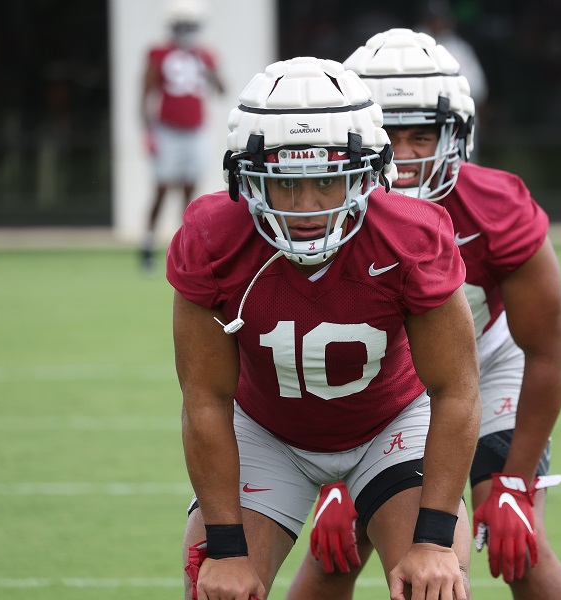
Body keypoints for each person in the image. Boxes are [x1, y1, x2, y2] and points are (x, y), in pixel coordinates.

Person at [167, 56, 481, 600]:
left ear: (367, 174)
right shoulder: (211, 238)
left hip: (389, 425)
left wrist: (433, 542)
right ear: (245, 178)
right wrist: (226, 548)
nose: (306, 207)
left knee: (437, 587)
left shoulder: (410, 236)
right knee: (214, 590)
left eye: (327, 182)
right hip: (267, 430)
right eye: (286, 184)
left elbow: (456, 389)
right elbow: (205, 400)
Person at [286, 29, 561, 600]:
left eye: (422, 134)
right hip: (375, 383)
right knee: (336, 549)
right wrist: (334, 478)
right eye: (387, 135)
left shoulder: (496, 209)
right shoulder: (313, 220)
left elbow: (546, 352)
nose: (403, 157)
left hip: (487, 366)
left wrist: (515, 484)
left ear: (458, 135)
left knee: (517, 540)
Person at [140, 0, 225, 272]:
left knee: (190, 193)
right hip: (168, 129)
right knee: (162, 188)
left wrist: (206, 64)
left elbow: (221, 88)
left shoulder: (204, 54)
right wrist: (148, 132)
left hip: (196, 129)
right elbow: (146, 92)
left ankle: (184, 249)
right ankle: (147, 246)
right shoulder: (159, 53)